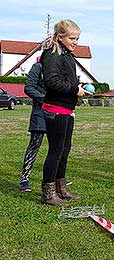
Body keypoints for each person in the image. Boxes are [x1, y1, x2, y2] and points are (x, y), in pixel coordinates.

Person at [40, 19, 88, 205]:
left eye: (77, 38)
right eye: (72, 38)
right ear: (60, 37)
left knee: (64, 149)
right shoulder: (52, 54)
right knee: (56, 150)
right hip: (55, 109)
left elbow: (65, 80)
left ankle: (60, 188)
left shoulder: (67, 55)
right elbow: (52, 81)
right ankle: (48, 193)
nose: (75, 42)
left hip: (67, 109)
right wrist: (74, 89)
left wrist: (77, 87)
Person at [18, 57, 73, 192]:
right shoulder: (38, 67)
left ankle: (57, 179)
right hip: (41, 113)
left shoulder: (59, 67)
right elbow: (29, 88)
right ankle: (24, 179)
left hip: (59, 113)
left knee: (59, 147)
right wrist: (47, 101)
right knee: (34, 146)